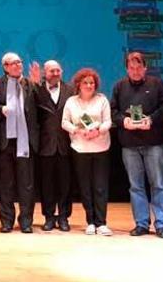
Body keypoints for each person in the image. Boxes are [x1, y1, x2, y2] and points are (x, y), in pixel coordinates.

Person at [111, 51, 163, 238]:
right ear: (127, 69)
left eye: (139, 67)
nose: (135, 71)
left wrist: (151, 120)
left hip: (153, 143)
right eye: (132, 68)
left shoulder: (156, 84)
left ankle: (161, 224)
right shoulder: (119, 86)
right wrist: (124, 121)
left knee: (158, 184)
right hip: (129, 144)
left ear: (145, 67)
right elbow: (113, 111)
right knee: (135, 186)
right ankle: (141, 224)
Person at [0, 52, 40, 233]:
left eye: (20, 62)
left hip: (25, 140)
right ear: (5, 67)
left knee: (26, 184)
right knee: (6, 183)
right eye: (13, 63)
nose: (18, 65)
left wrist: (37, 83)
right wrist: (0, 109)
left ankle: (26, 221)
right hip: (5, 141)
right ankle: (7, 221)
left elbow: (40, 104)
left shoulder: (29, 83)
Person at [61, 68, 112, 235]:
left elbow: (107, 122)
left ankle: (101, 222)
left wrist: (99, 131)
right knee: (85, 187)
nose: (89, 85)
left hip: (101, 147)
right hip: (80, 148)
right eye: (85, 83)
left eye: (92, 83)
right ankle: (90, 221)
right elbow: (64, 123)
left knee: (100, 186)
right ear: (78, 85)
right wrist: (77, 130)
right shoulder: (71, 102)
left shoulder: (102, 100)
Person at [34, 60, 75, 231]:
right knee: (47, 184)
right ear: (45, 72)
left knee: (65, 184)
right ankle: (49, 217)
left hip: (66, 144)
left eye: (58, 70)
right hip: (45, 145)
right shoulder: (38, 89)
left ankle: (64, 217)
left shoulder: (71, 90)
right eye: (52, 71)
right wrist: (34, 83)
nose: (55, 73)